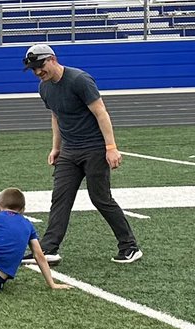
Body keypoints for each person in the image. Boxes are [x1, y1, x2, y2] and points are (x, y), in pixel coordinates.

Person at [24, 43, 142, 264]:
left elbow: (101, 112)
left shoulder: (79, 80)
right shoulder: (44, 88)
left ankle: (130, 246)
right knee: (60, 197)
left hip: (94, 149)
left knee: (101, 198)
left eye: (40, 66)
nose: (38, 72)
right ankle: (49, 249)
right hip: (69, 151)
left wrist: (111, 147)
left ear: (52, 59)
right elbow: (56, 116)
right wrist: (56, 147)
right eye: (34, 69)